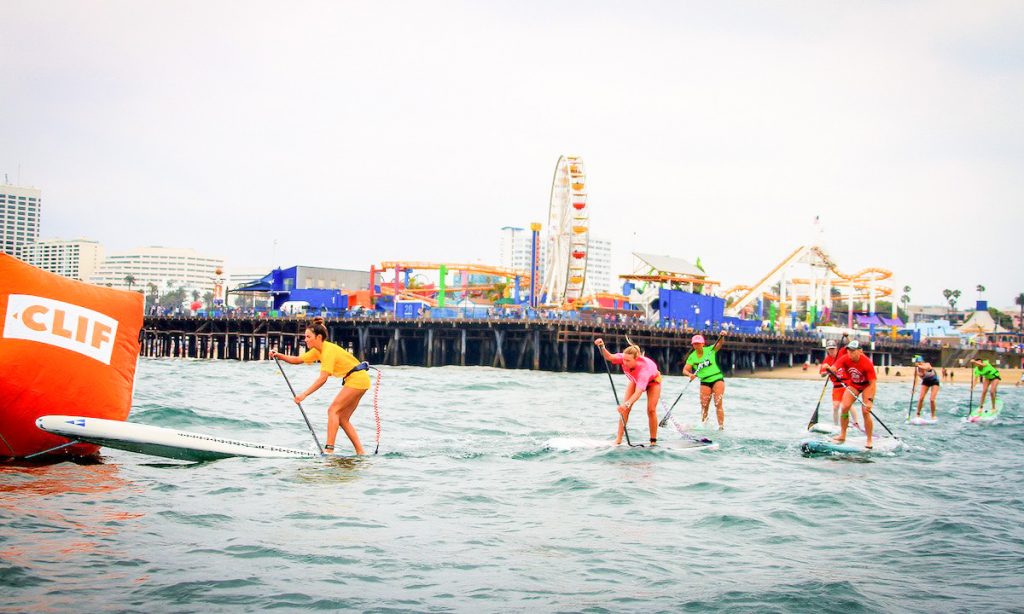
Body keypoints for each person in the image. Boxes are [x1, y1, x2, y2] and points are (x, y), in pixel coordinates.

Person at [270, 316, 370, 454]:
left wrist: (303, 395)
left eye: (308, 337)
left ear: (318, 337)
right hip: (361, 380)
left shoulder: (328, 351)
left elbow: (323, 378)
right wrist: (279, 355)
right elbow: (297, 360)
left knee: (332, 410)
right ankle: (360, 452)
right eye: (305, 337)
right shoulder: (318, 350)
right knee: (343, 418)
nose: (305, 340)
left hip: (357, 380)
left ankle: (329, 450)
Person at [595, 338, 662, 446]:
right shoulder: (624, 358)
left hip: (653, 382)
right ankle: (618, 439)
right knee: (624, 410)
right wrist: (602, 346)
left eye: (628, 361)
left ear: (637, 359)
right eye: (624, 360)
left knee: (651, 410)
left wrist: (626, 404)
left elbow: (638, 393)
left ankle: (653, 441)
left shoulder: (644, 371)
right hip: (635, 380)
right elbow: (609, 357)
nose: (624, 363)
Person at [823, 340, 877, 448]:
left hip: (867, 386)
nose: (850, 353)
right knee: (844, 407)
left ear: (860, 351)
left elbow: (873, 384)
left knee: (865, 411)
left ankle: (869, 440)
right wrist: (829, 369)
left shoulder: (867, 363)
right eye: (848, 351)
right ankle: (842, 435)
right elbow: (834, 368)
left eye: (852, 351)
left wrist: (870, 401)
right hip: (854, 385)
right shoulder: (845, 358)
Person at [683, 331, 727, 430]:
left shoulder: (710, 350)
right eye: (695, 343)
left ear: (703, 343)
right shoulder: (692, 357)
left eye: (699, 343)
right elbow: (685, 370)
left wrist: (722, 336)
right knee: (704, 405)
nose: (697, 345)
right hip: (704, 381)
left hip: (717, 378)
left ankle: (721, 427)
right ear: (692, 345)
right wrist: (690, 375)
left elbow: (719, 343)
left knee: (717, 403)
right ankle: (704, 425)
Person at [818, 336, 859, 428]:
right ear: (827, 350)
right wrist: (828, 371)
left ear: (836, 348)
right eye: (829, 349)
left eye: (833, 349)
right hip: (836, 386)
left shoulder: (842, 352)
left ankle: (856, 423)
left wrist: (847, 336)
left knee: (848, 404)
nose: (831, 351)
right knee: (835, 406)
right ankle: (836, 426)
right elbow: (822, 374)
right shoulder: (826, 361)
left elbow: (852, 345)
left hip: (846, 384)